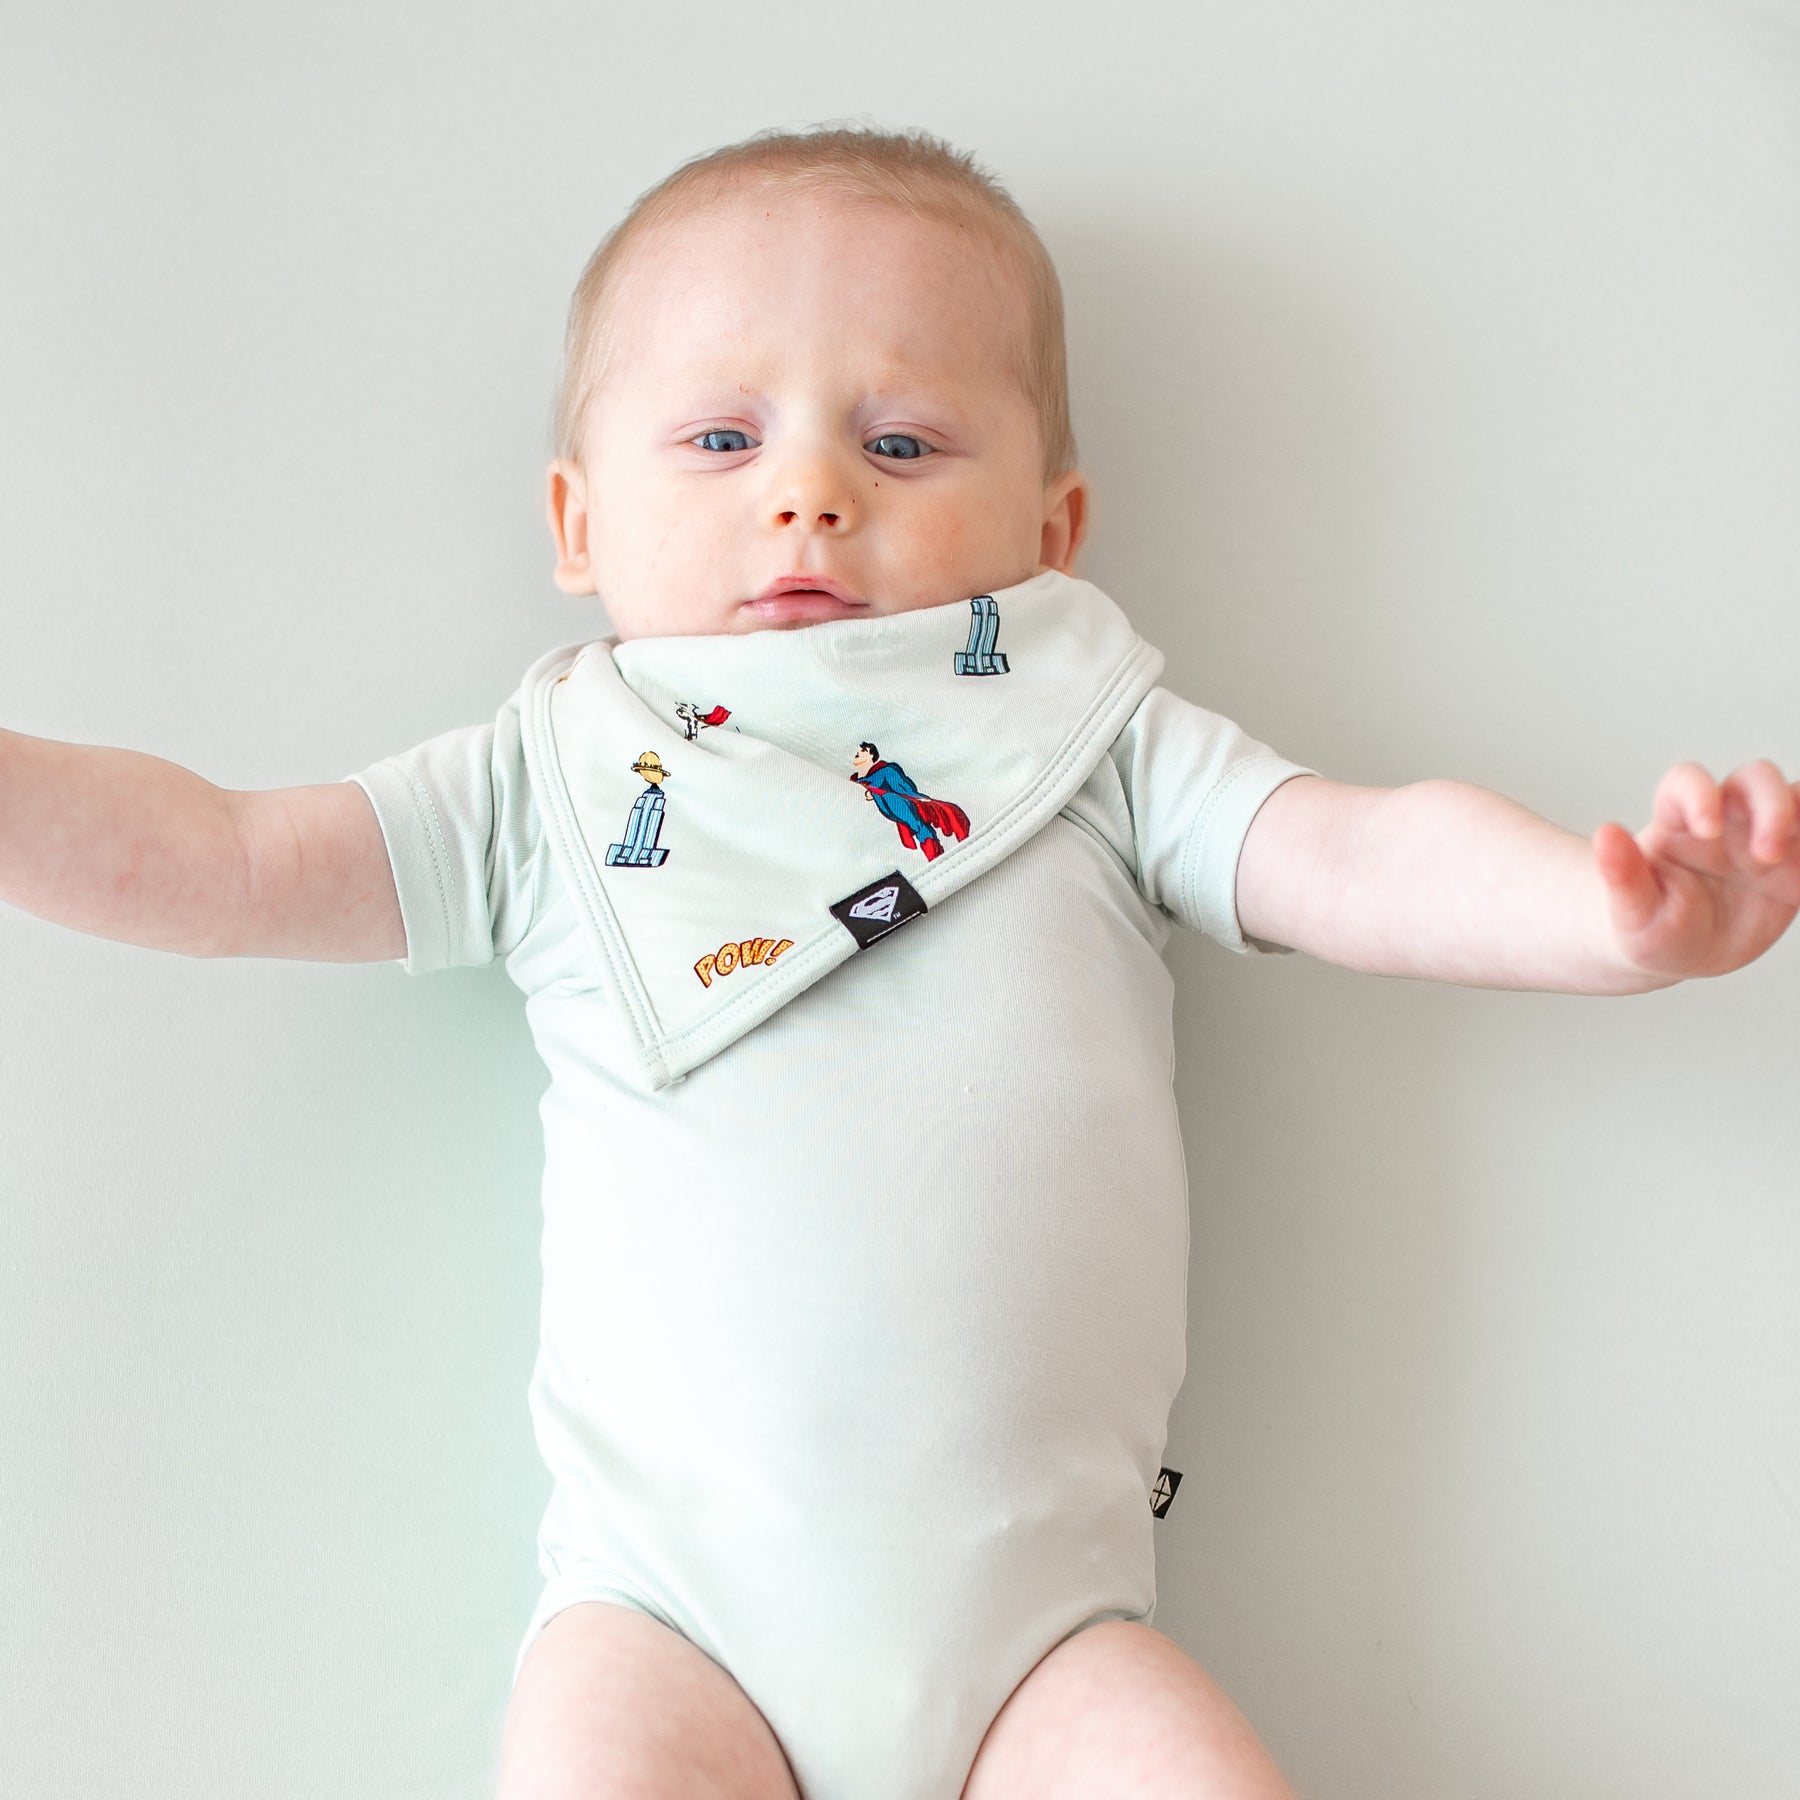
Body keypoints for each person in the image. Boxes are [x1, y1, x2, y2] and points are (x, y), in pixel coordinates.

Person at [3, 124, 1796, 1800]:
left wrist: (1599, 912)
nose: (808, 499)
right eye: (720, 441)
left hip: (1046, 1643)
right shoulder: (541, 790)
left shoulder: (1093, 739)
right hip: (665, 1621)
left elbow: (1356, 849)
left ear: (1052, 528)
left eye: (904, 444)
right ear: (574, 525)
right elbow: (220, 855)